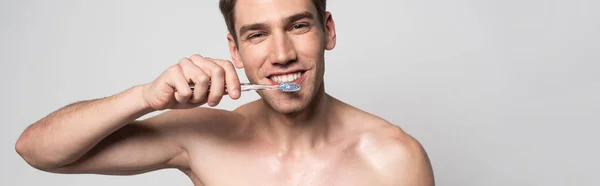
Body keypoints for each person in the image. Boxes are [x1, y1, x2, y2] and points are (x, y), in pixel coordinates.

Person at [15, 0, 435, 185]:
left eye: (298, 26)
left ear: (328, 31)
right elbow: (38, 151)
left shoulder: (394, 159)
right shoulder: (200, 136)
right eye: (257, 35)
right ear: (234, 49)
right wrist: (146, 97)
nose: (282, 54)